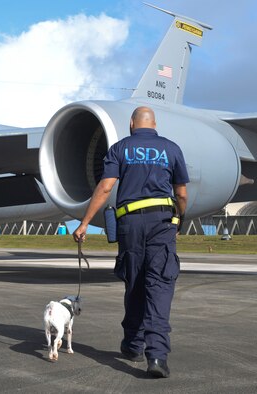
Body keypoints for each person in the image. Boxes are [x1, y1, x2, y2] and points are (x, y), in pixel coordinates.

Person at [73, 106, 189, 378]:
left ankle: (133, 344)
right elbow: (181, 194)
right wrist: (180, 220)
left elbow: (105, 187)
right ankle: (157, 357)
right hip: (161, 225)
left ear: (131, 124)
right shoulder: (171, 149)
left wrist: (85, 222)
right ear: (155, 124)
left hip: (130, 225)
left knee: (134, 282)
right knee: (159, 285)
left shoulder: (120, 149)